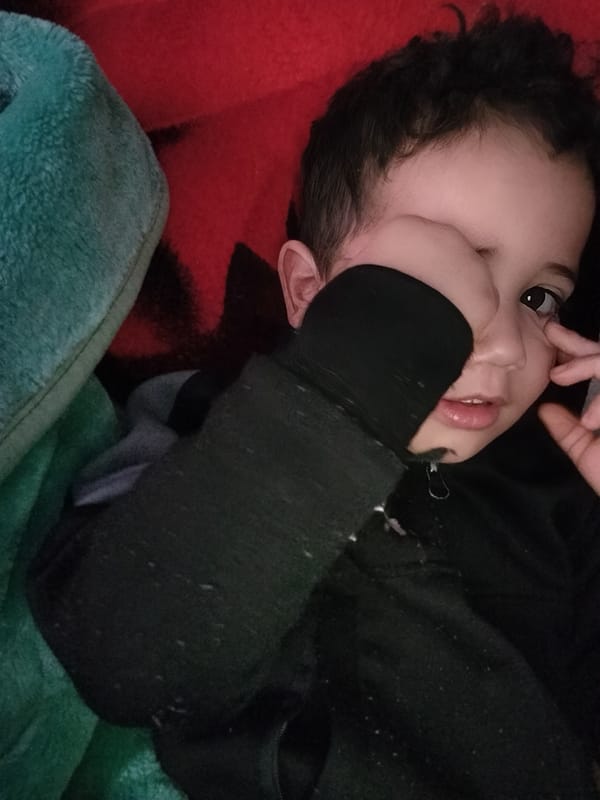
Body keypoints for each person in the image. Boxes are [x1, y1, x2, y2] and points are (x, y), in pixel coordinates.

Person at [27, 6, 600, 799]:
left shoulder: (553, 485)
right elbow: (125, 660)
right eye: (436, 280)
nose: (504, 342)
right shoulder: (212, 428)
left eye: (539, 296)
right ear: (307, 290)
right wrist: (354, 376)